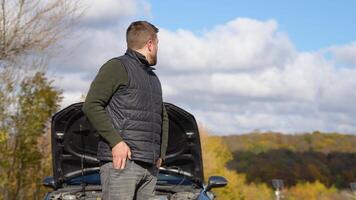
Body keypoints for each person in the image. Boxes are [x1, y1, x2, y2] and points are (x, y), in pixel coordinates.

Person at [82, 21, 169, 200]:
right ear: (150, 44)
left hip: (150, 167)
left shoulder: (152, 77)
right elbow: (91, 105)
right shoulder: (117, 67)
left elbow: (163, 117)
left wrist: (160, 154)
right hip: (122, 165)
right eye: (158, 44)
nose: (158, 49)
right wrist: (116, 142)